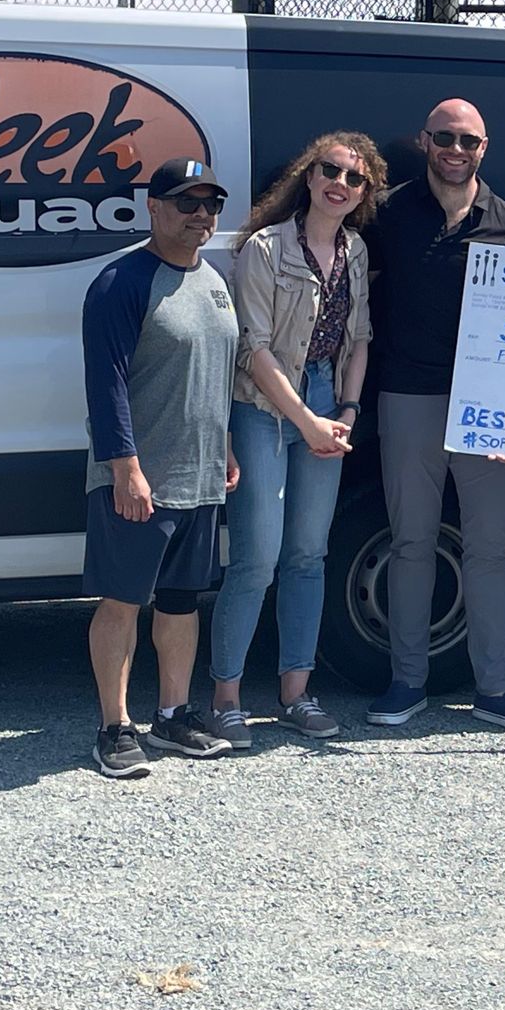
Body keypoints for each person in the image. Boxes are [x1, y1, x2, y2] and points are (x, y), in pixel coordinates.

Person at [361, 99, 505, 733]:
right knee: (411, 543)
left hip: (487, 409)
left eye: (468, 140)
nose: (456, 149)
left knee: (490, 551)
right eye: (444, 137)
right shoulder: (388, 214)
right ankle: (407, 681)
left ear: (484, 147)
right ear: (424, 141)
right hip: (407, 395)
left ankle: (495, 689)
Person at [203, 132, 383, 748]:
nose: (339, 183)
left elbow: (358, 338)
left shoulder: (355, 252)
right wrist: (306, 420)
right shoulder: (263, 247)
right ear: (308, 176)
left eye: (354, 178)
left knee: (308, 556)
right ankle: (225, 697)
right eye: (330, 170)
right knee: (257, 555)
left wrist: (348, 411)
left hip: (328, 404)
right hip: (263, 407)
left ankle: (296, 692)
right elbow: (250, 347)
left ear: (364, 192)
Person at [81, 158, 240, 778]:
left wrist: (223, 445)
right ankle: (113, 728)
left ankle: (173, 716)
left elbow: (216, 372)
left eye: (210, 205)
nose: (200, 216)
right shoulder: (122, 280)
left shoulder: (214, 281)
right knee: (122, 600)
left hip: (199, 475)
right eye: (186, 203)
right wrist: (124, 467)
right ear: (154, 207)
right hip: (139, 478)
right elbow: (107, 382)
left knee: (180, 601)